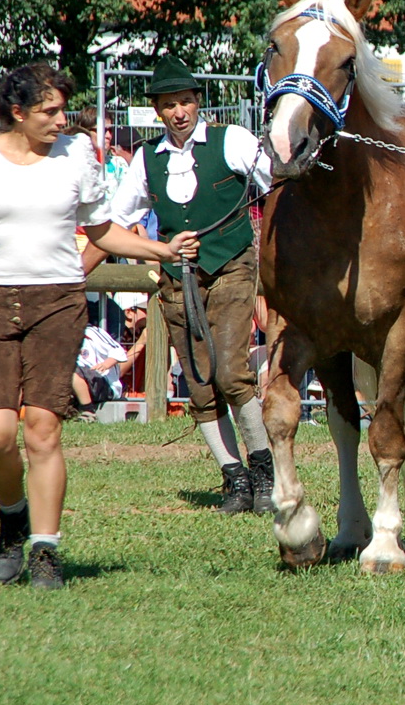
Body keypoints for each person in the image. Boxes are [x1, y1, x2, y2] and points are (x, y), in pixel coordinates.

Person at [0, 63, 197, 590]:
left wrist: (160, 249)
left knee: (43, 430)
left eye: (63, 109)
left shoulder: (75, 156)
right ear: (17, 113)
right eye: (49, 111)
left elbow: (102, 230)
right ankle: (12, 517)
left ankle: (45, 547)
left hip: (58, 302)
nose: (61, 120)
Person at [91, 55, 274, 514]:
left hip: (232, 265)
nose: (179, 112)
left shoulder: (232, 140)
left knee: (232, 373)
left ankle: (265, 472)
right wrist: (74, 274)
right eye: (170, 105)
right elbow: (115, 221)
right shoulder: (146, 161)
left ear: (198, 102)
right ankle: (234, 478)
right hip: (177, 280)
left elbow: (278, 184)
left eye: (186, 102)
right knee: (197, 383)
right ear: (157, 110)